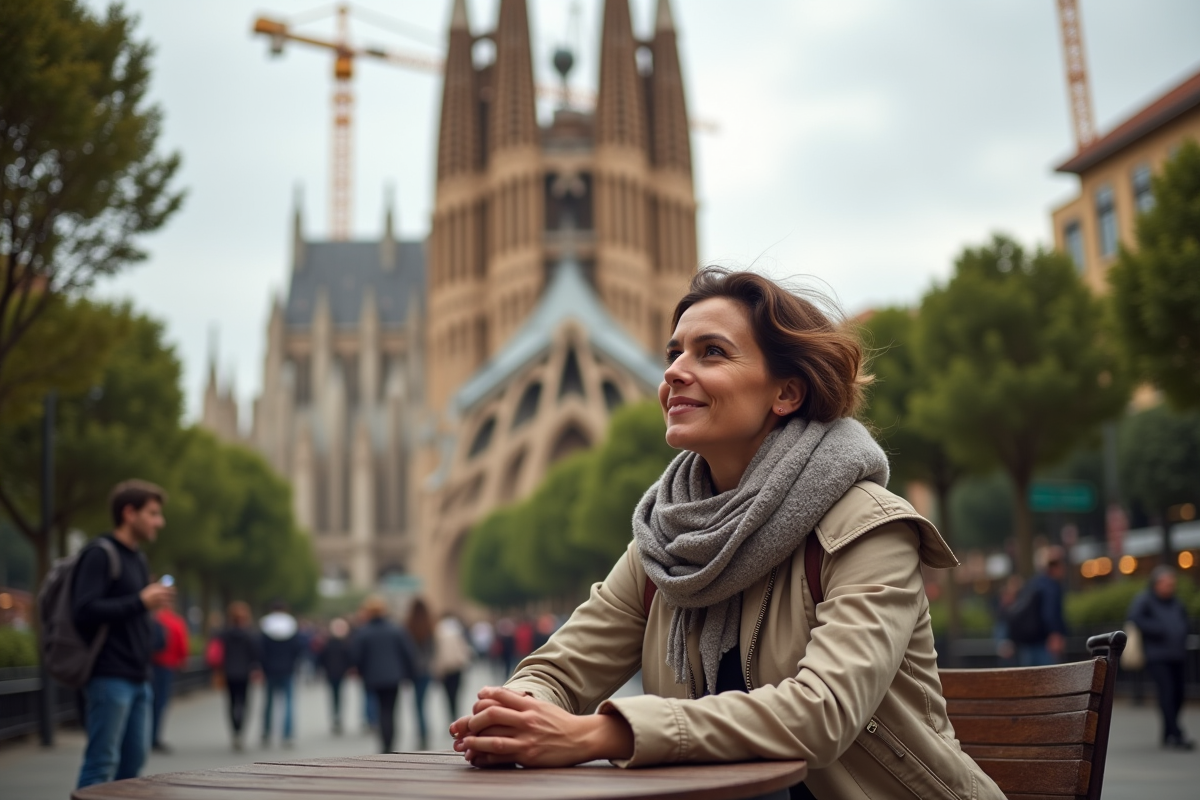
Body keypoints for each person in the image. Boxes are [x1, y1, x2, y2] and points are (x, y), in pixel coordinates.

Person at [450, 269, 1006, 800]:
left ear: (785, 394)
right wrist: (518, 713)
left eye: (710, 352)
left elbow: (821, 713)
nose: (672, 372)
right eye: (674, 353)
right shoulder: (665, 543)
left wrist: (605, 733)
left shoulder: (869, 528)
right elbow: (558, 671)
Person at [73, 480, 175, 789]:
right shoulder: (100, 553)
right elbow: (85, 610)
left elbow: (132, 614)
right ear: (129, 513)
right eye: (153, 513)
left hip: (138, 677)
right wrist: (140, 601)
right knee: (100, 766)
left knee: (132, 770)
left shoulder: (138, 558)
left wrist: (147, 611)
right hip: (109, 676)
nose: (160, 521)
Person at [1128, 566, 1194, 750]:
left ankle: (1168, 732)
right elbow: (1134, 618)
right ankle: (1176, 733)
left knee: (1179, 693)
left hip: (1177, 653)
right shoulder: (1145, 600)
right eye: (1166, 583)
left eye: (1172, 583)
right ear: (1156, 584)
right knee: (1167, 692)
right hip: (1157, 654)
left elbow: (1184, 622)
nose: (1169, 587)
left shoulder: (1176, 603)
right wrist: (1158, 630)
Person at [352, 595, 419, 753]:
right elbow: (408, 653)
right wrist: (410, 674)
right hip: (394, 677)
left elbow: (356, 656)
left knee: (381, 710)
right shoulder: (396, 629)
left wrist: (362, 672)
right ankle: (390, 742)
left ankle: (384, 743)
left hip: (373, 677)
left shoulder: (364, 632)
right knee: (391, 709)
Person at [1010, 546, 1068, 666]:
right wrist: (1055, 633)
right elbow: (1050, 612)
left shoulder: (1033, 583)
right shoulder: (1052, 586)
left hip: (1028, 642)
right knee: (1049, 680)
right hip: (1044, 642)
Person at [259, 600, 304, 747]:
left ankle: (266, 732)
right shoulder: (291, 625)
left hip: (270, 669)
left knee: (268, 702)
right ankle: (287, 734)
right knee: (289, 702)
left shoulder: (265, 625)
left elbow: (260, 649)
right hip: (287, 668)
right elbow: (298, 648)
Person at [218, 601, 262, 750]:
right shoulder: (250, 634)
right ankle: (240, 731)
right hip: (244, 673)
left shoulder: (224, 633)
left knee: (231, 703)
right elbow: (255, 655)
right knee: (244, 703)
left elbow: (219, 654)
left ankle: (234, 731)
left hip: (229, 672)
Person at [150, 598, 189, 753]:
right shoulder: (175, 621)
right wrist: (182, 660)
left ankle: (145, 735)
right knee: (160, 702)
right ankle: (154, 737)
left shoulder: (153, 618)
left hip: (150, 664)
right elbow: (181, 642)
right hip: (167, 665)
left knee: (149, 701)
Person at [405, 600, 435, 749]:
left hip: (413, 671)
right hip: (426, 671)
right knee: (423, 703)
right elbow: (432, 651)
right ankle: (424, 733)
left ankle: (421, 732)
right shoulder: (430, 626)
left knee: (416, 704)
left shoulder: (408, 626)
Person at [317, 617, 354, 735]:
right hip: (335, 673)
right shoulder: (342, 643)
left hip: (336, 673)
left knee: (336, 696)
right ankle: (336, 718)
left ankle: (337, 718)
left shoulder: (333, 643)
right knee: (336, 696)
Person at [433, 613, 472, 721]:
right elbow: (463, 649)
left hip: (445, 668)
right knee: (456, 692)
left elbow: (437, 654)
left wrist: (438, 669)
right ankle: (455, 712)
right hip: (456, 666)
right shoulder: (456, 632)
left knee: (447, 694)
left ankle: (451, 713)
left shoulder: (437, 633)